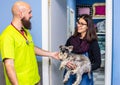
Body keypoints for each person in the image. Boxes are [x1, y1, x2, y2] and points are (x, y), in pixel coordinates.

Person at [0, 1, 59, 85]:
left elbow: (31, 48)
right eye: (29, 12)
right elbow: (9, 65)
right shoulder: (7, 35)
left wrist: (51, 54)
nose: (31, 15)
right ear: (21, 14)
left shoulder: (25, 32)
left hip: (35, 80)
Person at [64, 14, 101, 85]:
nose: (79, 25)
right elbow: (64, 55)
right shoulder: (71, 39)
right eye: (78, 23)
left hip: (85, 75)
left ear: (88, 27)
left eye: (82, 24)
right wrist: (67, 63)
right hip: (70, 74)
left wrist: (83, 68)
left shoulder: (93, 42)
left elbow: (97, 63)